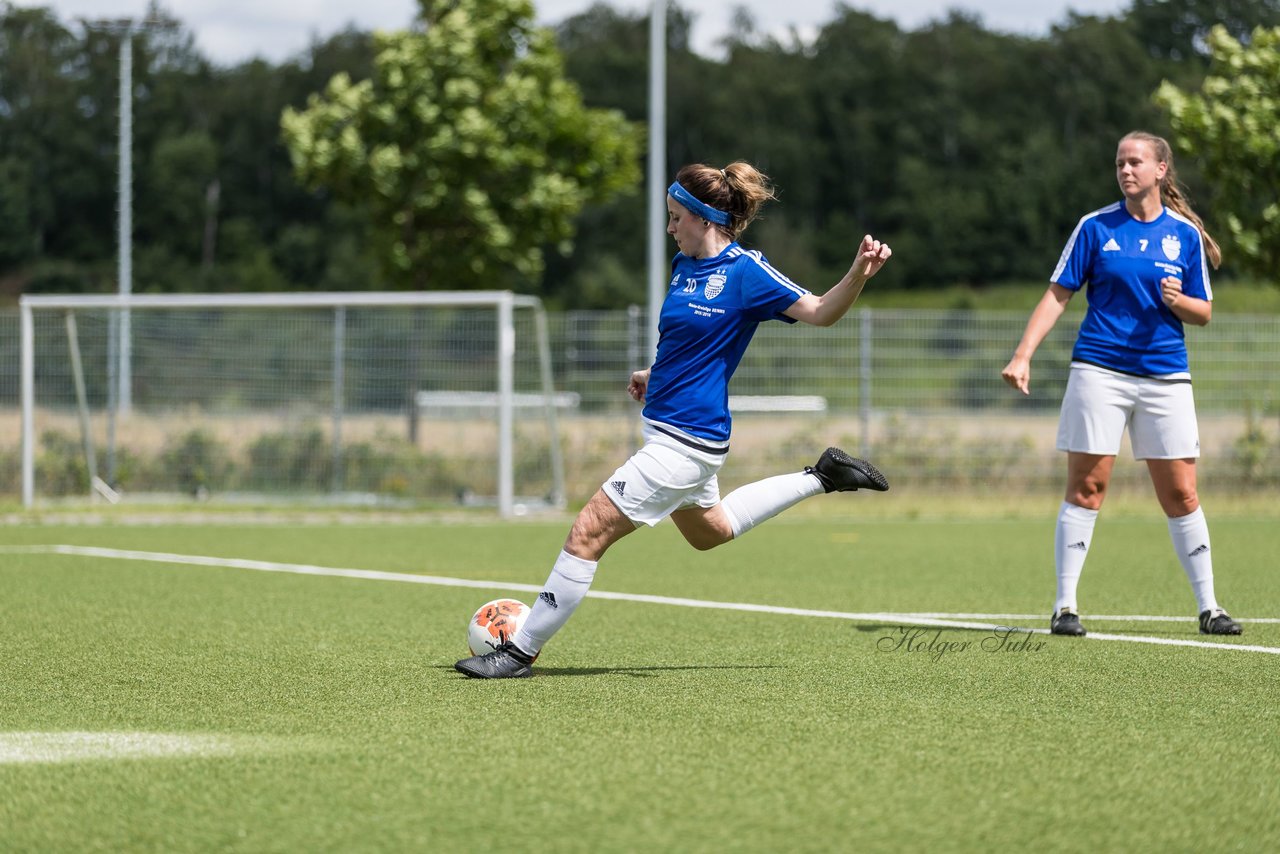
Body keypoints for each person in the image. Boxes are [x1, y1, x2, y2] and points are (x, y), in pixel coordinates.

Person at [456, 160, 893, 678]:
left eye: (675, 218)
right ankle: (823, 475)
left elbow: (821, 311)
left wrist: (858, 274)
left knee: (588, 531)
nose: (669, 229)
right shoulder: (683, 266)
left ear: (706, 218)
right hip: (669, 432)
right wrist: (654, 374)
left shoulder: (745, 272)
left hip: (686, 444)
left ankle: (518, 651)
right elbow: (683, 344)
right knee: (711, 530)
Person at [1000, 130, 1242, 638]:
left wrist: (1179, 303)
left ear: (1160, 171)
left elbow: (1204, 312)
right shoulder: (1094, 227)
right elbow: (1056, 296)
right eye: (1119, 164)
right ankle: (1065, 607)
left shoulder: (1184, 235)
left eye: (1136, 163)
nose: (1126, 170)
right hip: (1099, 373)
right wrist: (1023, 355)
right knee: (1088, 487)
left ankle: (1210, 608)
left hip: (1166, 377)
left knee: (1182, 493)